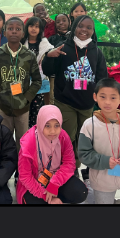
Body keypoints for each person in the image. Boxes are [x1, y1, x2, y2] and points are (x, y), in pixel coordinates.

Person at [78, 78, 120, 204]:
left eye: (113, 98)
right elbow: (84, 154)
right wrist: (104, 161)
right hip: (102, 180)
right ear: (95, 97)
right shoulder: (89, 125)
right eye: (103, 97)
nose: (107, 102)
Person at [44, 15, 106, 150]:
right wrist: (49, 57)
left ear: (93, 31)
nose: (84, 30)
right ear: (74, 27)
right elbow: (49, 71)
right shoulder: (63, 48)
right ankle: (70, 167)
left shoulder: (96, 52)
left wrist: (99, 98)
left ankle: (78, 164)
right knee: (67, 137)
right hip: (65, 102)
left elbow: (102, 78)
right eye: (80, 26)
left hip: (87, 103)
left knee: (83, 137)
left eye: (89, 27)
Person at [17, 105, 88, 204]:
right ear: (41, 123)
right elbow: (25, 176)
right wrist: (45, 196)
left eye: (56, 125)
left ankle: (55, 197)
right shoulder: (28, 142)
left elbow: (69, 163)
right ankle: (53, 199)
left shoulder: (63, 137)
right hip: (34, 183)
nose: (53, 131)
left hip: (56, 178)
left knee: (81, 192)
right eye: (47, 125)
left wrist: (54, 184)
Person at [0, 17, 39, 141]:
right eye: (10, 29)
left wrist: (27, 98)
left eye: (18, 29)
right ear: (5, 32)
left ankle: (21, 161)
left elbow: (37, 81)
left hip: (23, 108)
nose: (14, 31)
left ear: (23, 34)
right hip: (4, 107)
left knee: (23, 141)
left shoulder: (29, 55)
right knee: (4, 141)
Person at [24, 16, 54, 128]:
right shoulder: (22, 42)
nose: (33, 29)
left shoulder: (44, 43)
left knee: (37, 110)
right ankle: (25, 135)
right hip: (25, 82)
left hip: (39, 82)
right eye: (31, 26)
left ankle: (35, 133)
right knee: (25, 109)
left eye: (37, 26)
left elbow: (51, 52)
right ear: (27, 27)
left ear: (40, 29)